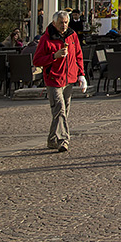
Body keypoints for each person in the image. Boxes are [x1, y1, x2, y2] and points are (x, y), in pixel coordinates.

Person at [32, 10, 87, 152]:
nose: (64, 25)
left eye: (66, 22)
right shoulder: (46, 39)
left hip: (69, 78)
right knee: (59, 109)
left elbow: (78, 55)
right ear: (54, 23)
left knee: (63, 112)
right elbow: (37, 60)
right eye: (61, 23)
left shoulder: (72, 35)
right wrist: (54, 56)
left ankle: (52, 139)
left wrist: (81, 74)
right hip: (53, 79)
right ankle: (63, 140)